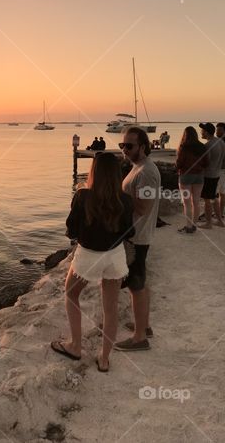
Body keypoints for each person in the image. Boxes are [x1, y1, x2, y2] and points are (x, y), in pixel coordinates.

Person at [52, 152, 134, 372]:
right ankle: (104, 358)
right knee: (110, 308)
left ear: (94, 172)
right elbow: (129, 230)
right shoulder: (125, 199)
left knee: (71, 294)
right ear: (117, 174)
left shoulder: (83, 196)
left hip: (88, 255)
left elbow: (71, 229)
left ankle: (75, 346)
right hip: (115, 255)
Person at [115, 127, 160, 352]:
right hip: (137, 234)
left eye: (129, 146)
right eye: (122, 145)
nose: (124, 149)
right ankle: (145, 325)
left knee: (136, 284)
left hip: (137, 236)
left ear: (143, 146)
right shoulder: (138, 168)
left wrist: (117, 197)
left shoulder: (147, 173)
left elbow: (143, 207)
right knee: (140, 282)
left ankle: (139, 338)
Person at [176, 126, 207, 234]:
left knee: (187, 203)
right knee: (196, 202)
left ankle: (188, 226)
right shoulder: (202, 147)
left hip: (186, 175)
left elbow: (179, 163)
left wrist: (178, 167)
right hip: (199, 176)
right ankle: (194, 225)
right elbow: (206, 163)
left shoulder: (184, 147)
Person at [198, 123, 225, 229]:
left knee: (207, 200)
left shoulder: (208, 145)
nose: (201, 132)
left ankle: (208, 223)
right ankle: (220, 221)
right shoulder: (221, 142)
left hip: (209, 175)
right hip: (217, 173)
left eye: (202, 131)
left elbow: (206, 163)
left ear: (206, 132)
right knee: (214, 198)